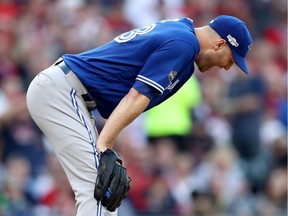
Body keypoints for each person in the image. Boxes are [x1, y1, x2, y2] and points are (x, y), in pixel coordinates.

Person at [26, 15, 252, 216]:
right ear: (220, 43)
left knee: (103, 190)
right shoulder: (185, 44)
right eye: (231, 59)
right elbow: (137, 96)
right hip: (63, 91)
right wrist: (104, 144)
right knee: (98, 187)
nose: (227, 68)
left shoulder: (181, 30)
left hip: (67, 91)